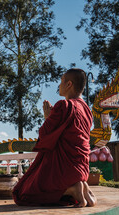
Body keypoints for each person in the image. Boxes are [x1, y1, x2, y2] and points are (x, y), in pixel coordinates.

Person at [12, 68, 97, 207]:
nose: (59, 85)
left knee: (22, 193)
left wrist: (47, 118)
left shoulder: (64, 105)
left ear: (69, 84)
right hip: (81, 168)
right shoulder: (87, 109)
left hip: (64, 170)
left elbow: (45, 135)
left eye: (62, 81)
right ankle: (81, 187)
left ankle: (72, 189)